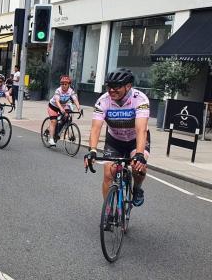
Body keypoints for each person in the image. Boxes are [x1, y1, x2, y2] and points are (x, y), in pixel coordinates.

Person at [84, 68, 149, 207]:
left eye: (116, 87)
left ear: (128, 86)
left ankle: (137, 188)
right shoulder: (103, 101)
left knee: (138, 168)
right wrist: (92, 150)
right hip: (114, 141)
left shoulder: (140, 99)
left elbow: (141, 129)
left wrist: (139, 154)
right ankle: (107, 210)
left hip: (135, 141)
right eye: (109, 87)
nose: (112, 90)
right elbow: (96, 128)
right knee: (108, 173)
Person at [46, 75, 82, 146]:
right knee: (54, 121)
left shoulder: (71, 91)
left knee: (67, 117)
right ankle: (51, 139)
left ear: (69, 84)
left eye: (65, 84)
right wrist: (61, 109)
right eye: (62, 84)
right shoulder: (58, 90)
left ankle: (57, 131)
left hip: (63, 106)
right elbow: (57, 101)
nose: (64, 86)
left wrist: (79, 108)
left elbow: (75, 99)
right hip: (53, 106)